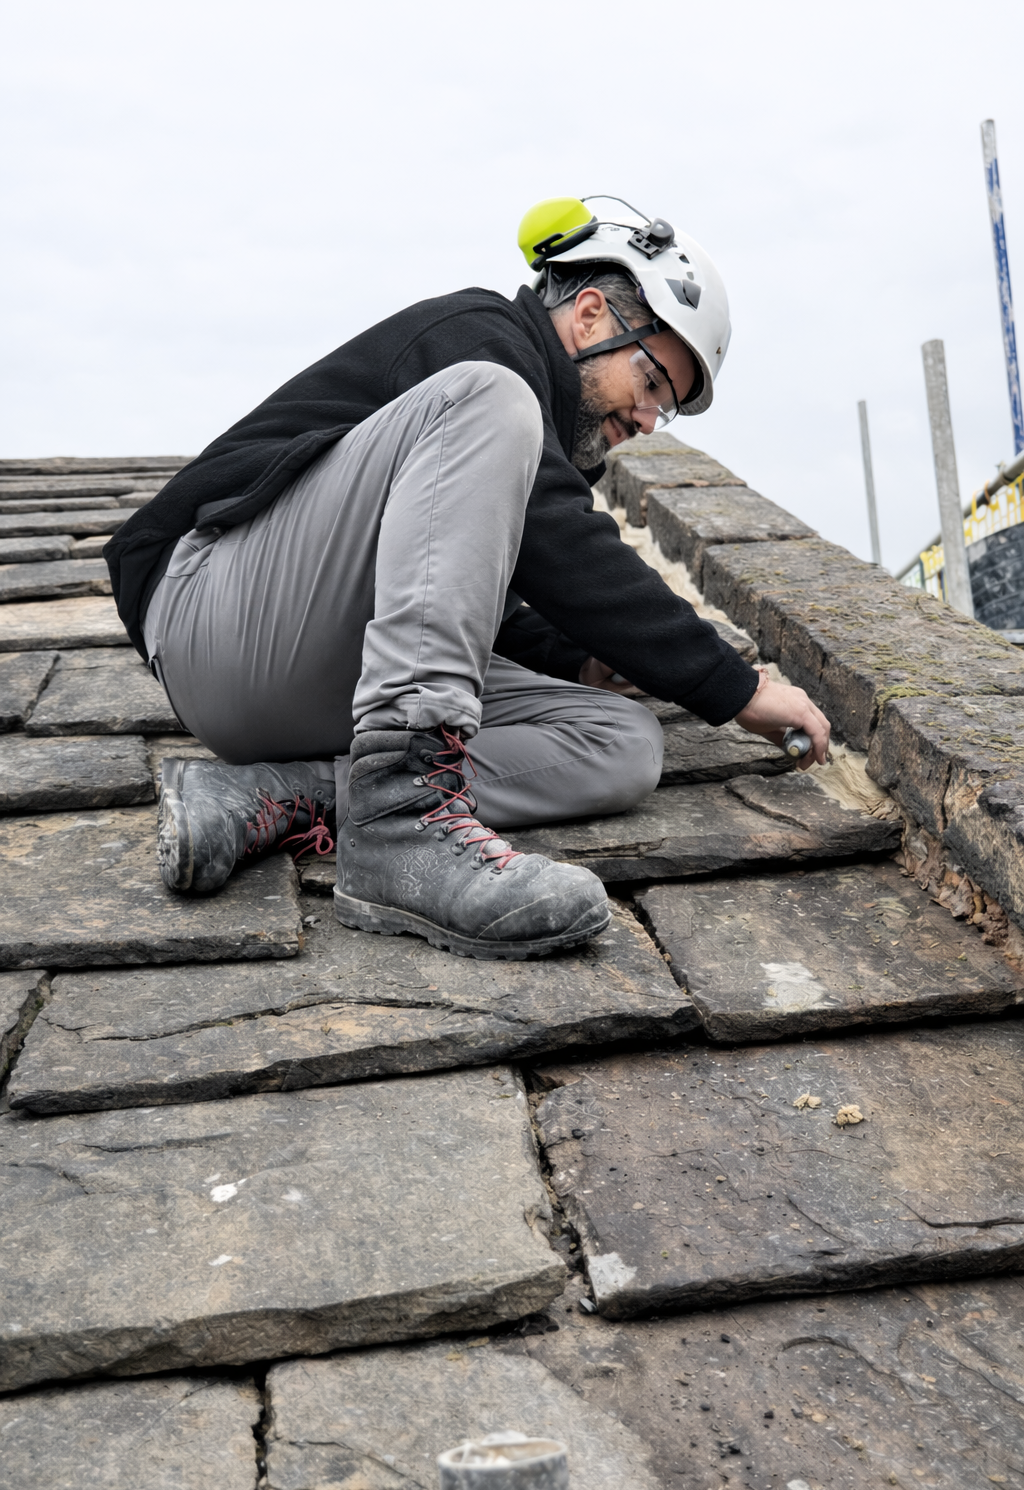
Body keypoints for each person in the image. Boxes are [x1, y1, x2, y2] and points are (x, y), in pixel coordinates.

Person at [105, 195, 830, 960]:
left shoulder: (515, 441)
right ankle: (399, 829)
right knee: (490, 395)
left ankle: (290, 794)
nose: (651, 420)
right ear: (589, 315)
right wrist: (735, 688)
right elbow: (562, 541)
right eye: (652, 381)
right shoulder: (479, 344)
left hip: (330, 681)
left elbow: (438, 592)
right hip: (215, 622)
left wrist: (579, 660)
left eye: (670, 407)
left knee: (622, 741)